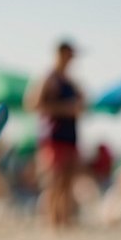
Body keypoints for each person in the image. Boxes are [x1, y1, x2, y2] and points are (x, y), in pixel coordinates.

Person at [28, 40, 85, 227]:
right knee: (54, 180)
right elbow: (33, 104)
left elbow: (83, 103)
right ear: (61, 54)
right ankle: (52, 220)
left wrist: (77, 106)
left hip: (70, 136)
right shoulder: (49, 78)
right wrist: (65, 109)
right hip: (53, 136)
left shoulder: (69, 80)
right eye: (70, 55)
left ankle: (64, 219)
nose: (72, 60)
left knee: (67, 181)